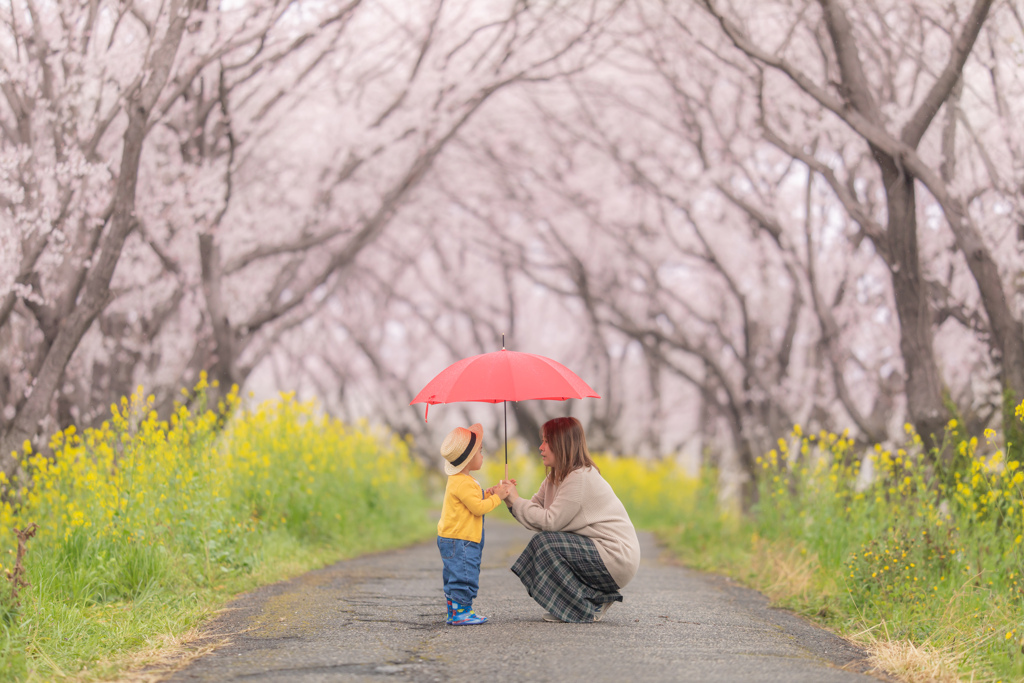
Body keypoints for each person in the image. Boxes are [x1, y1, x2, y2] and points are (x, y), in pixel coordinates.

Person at [502, 416, 641, 623]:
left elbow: (549, 522)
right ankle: (595, 600)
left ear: (562, 444)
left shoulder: (580, 477)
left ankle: (585, 608)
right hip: (599, 552)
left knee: (546, 543)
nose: (541, 447)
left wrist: (516, 500)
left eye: (547, 441)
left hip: (615, 556)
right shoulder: (555, 477)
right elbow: (534, 515)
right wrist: (510, 499)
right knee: (545, 543)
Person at [437, 423, 511, 625]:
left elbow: (472, 500)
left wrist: (490, 493)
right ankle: (462, 612)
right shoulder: (463, 482)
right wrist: (498, 498)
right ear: (469, 458)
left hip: (453, 538)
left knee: (454, 575)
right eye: (480, 451)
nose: (482, 455)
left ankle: (454, 612)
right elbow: (478, 508)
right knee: (465, 575)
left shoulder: (459, 480)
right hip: (462, 540)